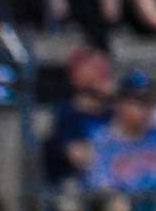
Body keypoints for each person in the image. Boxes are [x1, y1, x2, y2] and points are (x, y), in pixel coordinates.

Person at [43, 44, 115, 187]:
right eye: (93, 68)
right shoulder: (67, 115)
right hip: (79, 183)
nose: (100, 74)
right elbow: (77, 155)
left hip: (114, 179)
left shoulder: (114, 113)